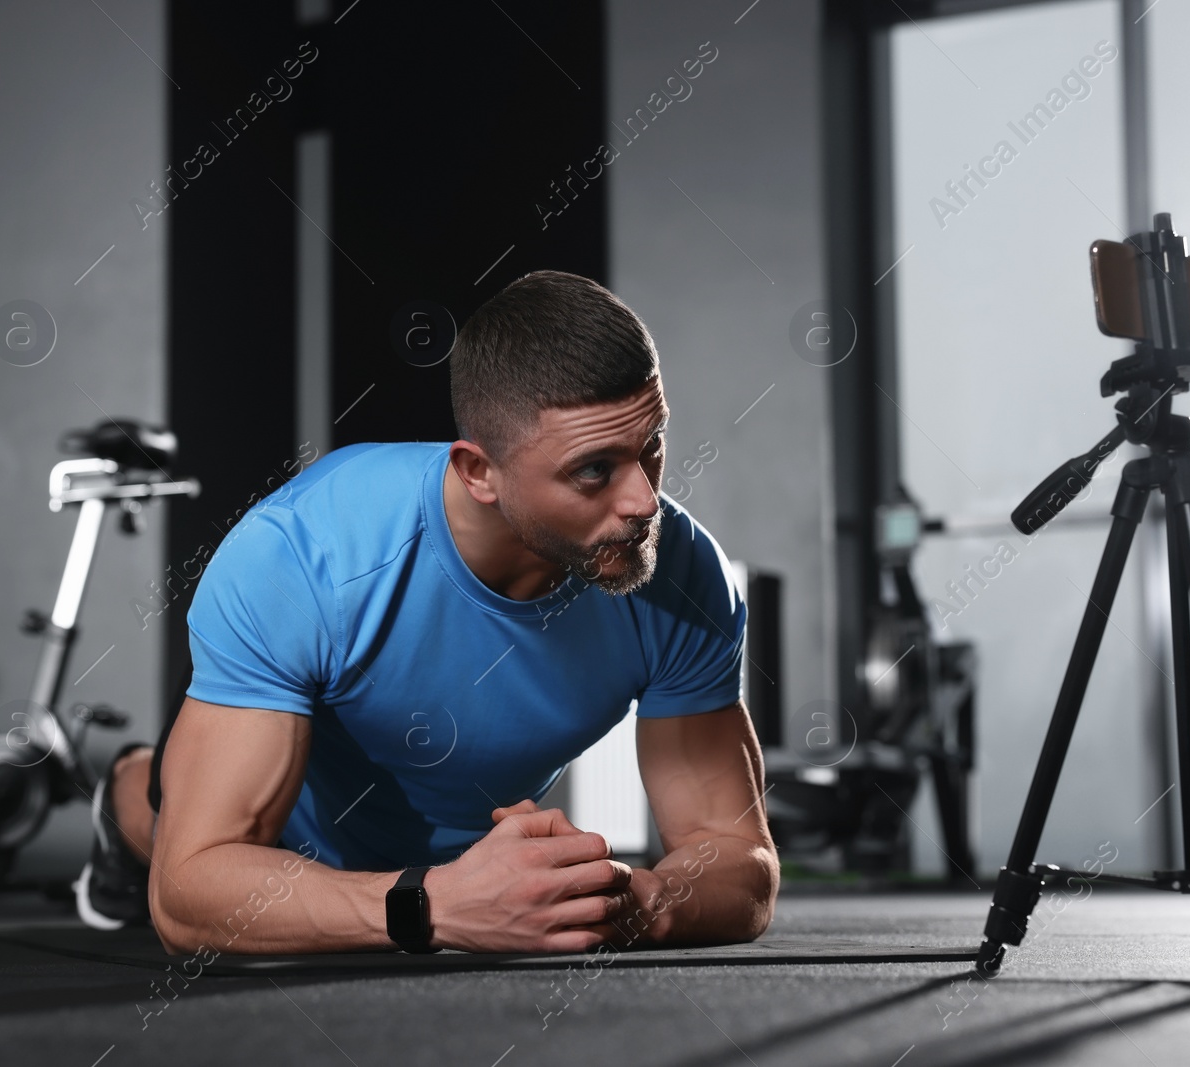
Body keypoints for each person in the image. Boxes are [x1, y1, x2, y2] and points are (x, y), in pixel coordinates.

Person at [74, 270, 778, 954]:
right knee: (165, 814)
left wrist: (638, 904)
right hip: (281, 842)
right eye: (594, 469)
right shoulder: (301, 555)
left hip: (452, 851)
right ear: (479, 472)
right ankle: (125, 795)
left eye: (651, 444)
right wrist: (431, 905)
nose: (645, 502)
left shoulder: (680, 572)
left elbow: (738, 857)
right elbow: (189, 893)